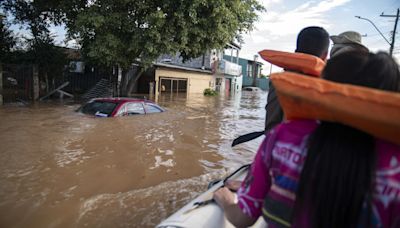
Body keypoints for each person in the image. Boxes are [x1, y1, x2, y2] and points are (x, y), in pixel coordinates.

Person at [214, 51, 400, 228]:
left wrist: (227, 201)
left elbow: (242, 219)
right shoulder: (395, 167)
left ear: (322, 88)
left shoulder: (282, 137)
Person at [265, 26, 330, 132]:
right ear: (325, 55)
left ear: (296, 52)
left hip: (275, 144)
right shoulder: (329, 87)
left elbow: (270, 125)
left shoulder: (277, 81)